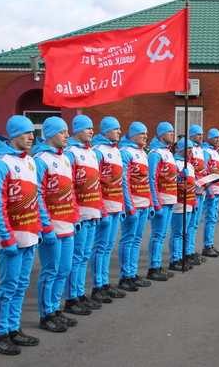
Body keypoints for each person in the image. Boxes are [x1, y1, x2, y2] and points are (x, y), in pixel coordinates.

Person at [0, 115, 44, 355]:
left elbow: (35, 198)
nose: (32, 137)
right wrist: (6, 237)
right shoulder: (1, 164)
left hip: (29, 235)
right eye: (27, 133)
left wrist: (39, 227)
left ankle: (13, 328)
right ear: (13, 135)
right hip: (10, 239)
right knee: (8, 286)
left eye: (33, 132)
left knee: (21, 285)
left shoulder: (29, 161)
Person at [33, 116, 81, 332]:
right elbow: (38, 194)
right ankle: (46, 315)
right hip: (52, 227)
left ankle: (55, 308)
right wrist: (46, 226)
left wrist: (75, 216)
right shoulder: (41, 159)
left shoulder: (64, 158)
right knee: (50, 270)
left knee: (64, 269)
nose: (67, 135)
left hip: (67, 225)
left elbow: (71, 192)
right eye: (63, 132)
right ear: (51, 134)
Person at [63, 115, 104, 315]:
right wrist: (75, 214)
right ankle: (71, 298)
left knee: (83, 256)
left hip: (92, 212)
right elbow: (68, 187)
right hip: (79, 215)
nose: (92, 131)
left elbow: (97, 184)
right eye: (88, 128)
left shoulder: (92, 153)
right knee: (76, 256)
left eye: (92, 128)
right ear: (77, 129)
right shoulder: (71, 153)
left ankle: (79, 293)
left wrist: (100, 207)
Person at [90, 116, 127, 303]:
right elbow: (95, 183)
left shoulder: (116, 151)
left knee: (107, 247)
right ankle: (97, 286)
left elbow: (120, 183)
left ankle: (104, 283)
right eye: (116, 129)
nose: (119, 132)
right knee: (99, 247)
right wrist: (102, 208)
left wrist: (121, 205)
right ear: (105, 131)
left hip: (115, 206)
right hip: (104, 208)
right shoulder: (98, 152)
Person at [118, 122, 154, 291]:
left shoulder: (142, 152)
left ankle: (132, 273)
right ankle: (125, 276)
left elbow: (147, 181)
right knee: (128, 239)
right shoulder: (125, 153)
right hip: (133, 205)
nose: (145, 136)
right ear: (132, 134)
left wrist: (150, 202)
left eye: (146, 134)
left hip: (144, 204)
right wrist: (129, 206)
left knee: (137, 239)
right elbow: (124, 181)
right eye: (142, 133)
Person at [147, 122, 178, 281]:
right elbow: (152, 179)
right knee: (158, 234)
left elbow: (169, 176)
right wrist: (156, 203)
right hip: (162, 201)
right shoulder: (155, 154)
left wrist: (180, 175)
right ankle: (154, 267)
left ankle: (157, 265)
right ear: (161, 134)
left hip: (170, 200)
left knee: (163, 234)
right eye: (169, 132)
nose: (172, 134)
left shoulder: (168, 153)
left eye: (173, 131)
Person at [168, 138, 197, 271]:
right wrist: (179, 176)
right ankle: (174, 259)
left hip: (189, 201)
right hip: (179, 202)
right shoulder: (175, 163)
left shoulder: (189, 164)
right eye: (188, 148)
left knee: (183, 231)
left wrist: (194, 201)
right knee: (177, 232)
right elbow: (168, 182)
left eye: (192, 148)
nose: (191, 150)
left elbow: (191, 184)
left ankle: (180, 257)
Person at [201, 128, 219, 258]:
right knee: (210, 218)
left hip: (218, 190)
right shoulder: (207, 152)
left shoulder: (215, 152)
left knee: (213, 218)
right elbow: (204, 172)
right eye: (215, 137)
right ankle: (207, 246)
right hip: (212, 191)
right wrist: (209, 189)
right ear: (209, 138)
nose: (218, 140)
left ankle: (210, 243)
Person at [185, 125, 207, 262]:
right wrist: (198, 180)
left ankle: (191, 250)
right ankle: (187, 251)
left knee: (195, 224)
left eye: (202, 134)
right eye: (198, 134)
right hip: (193, 191)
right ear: (191, 135)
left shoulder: (200, 149)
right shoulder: (190, 149)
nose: (201, 137)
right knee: (190, 224)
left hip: (201, 190)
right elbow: (190, 170)